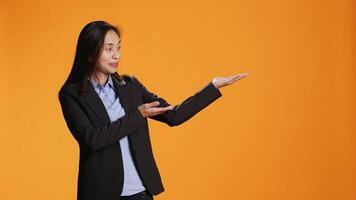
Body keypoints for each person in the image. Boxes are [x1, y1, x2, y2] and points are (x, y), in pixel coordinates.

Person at [58, 20, 248, 200]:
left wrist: (212, 87)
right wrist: (137, 115)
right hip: (101, 193)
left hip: (140, 191)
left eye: (119, 47)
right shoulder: (71, 94)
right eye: (109, 49)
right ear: (90, 53)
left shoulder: (130, 85)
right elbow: (92, 140)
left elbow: (174, 115)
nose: (116, 55)